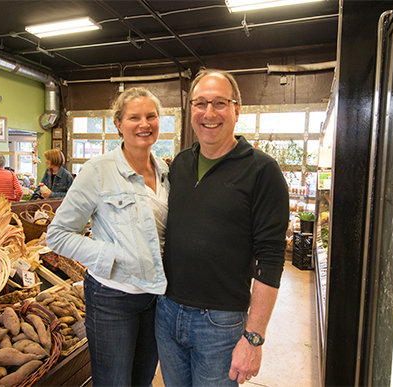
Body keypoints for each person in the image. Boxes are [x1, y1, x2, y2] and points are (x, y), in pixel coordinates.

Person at [155, 69, 289, 386]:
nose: (209, 113)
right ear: (191, 111)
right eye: (200, 103)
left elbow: (271, 259)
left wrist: (253, 338)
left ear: (236, 109)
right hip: (167, 311)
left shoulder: (263, 171)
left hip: (220, 323)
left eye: (219, 103)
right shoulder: (180, 165)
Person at [47, 87, 169, 387]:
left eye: (151, 116)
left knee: (143, 380)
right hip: (111, 297)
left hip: (156, 297)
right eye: (134, 117)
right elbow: (58, 234)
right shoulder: (98, 170)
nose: (144, 124)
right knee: (113, 382)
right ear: (118, 123)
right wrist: (110, 256)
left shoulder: (165, 171)